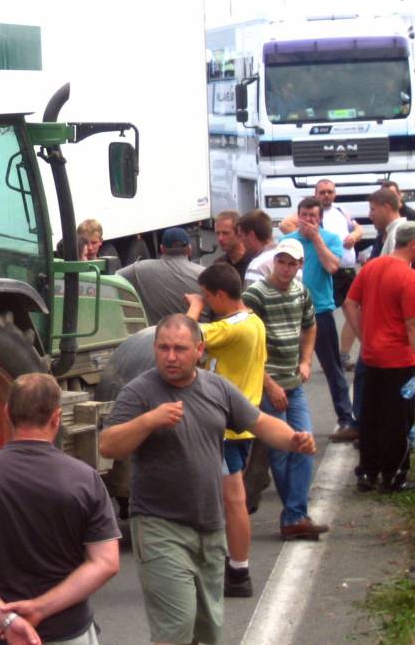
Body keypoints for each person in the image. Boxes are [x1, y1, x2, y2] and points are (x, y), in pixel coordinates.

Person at [99, 315, 316, 645]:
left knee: (207, 632)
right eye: (163, 348)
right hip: (159, 526)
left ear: (199, 350)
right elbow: (108, 444)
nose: (171, 356)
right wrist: (148, 421)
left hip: (210, 527)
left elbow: (259, 422)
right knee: (176, 628)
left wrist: (293, 439)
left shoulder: (217, 388)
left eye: (180, 349)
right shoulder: (139, 392)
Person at [0, 373, 119, 645]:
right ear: (57, 417)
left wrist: (6, 619)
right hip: (67, 631)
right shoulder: (85, 479)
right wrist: (40, 608)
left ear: (6, 413)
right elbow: (106, 562)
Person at [183, 263, 267, 598]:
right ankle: (234, 568)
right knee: (229, 499)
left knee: (231, 500)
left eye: (207, 296)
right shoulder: (254, 321)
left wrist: (194, 307)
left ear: (220, 294)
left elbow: (183, 334)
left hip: (222, 428)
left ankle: (237, 572)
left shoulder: (231, 328)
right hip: (239, 422)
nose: (204, 302)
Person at [241, 238, 329, 539]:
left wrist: (306, 361)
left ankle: (294, 515)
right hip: (267, 384)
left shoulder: (300, 292)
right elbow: (247, 345)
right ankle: (294, 516)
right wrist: (269, 384)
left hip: (293, 382)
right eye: (282, 261)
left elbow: (310, 324)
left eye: (292, 263)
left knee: (304, 445)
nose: (286, 268)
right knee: (281, 450)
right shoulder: (255, 295)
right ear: (274, 261)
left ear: (299, 266)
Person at [342, 222, 415, 493]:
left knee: (371, 416)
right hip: (400, 360)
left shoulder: (372, 267)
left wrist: (364, 336)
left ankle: (368, 472)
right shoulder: (409, 278)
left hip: (372, 355)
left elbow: (349, 303)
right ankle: (394, 474)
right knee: (399, 419)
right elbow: (411, 325)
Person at [281, 197, 353, 441]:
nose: (309, 220)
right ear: (298, 216)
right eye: (305, 215)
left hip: (319, 311)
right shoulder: (287, 241)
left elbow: (333, 266)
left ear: (320, 218)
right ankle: (288, 422)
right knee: (286, 367)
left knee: (332, 367)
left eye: (314, 216)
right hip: (289, 312)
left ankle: (346, 419)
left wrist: (316, 239)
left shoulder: (330, 239)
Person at [117, 227, 203, 325]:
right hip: (193, 337)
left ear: (162, 248)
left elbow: (112, 278)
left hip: (154, 336)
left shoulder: (139, 269)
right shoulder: (203, 274)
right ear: (189, 249)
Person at [239, 210, 282, 285]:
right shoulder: (291, 260)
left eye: (241, 236)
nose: (240, 240)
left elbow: (251, 297)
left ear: (251, 236)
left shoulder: (257, 267)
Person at [368, 186, 403, 259]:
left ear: (386, 208)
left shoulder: (397, 235)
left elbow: (396, 269)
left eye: (372, 209)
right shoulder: (387, 234)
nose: (369, 215)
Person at [213, 210, 248, 280]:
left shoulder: (253, 263)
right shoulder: (219, 265)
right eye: (218, 233)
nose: (220, 238)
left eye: (225, 233)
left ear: (239, 233)